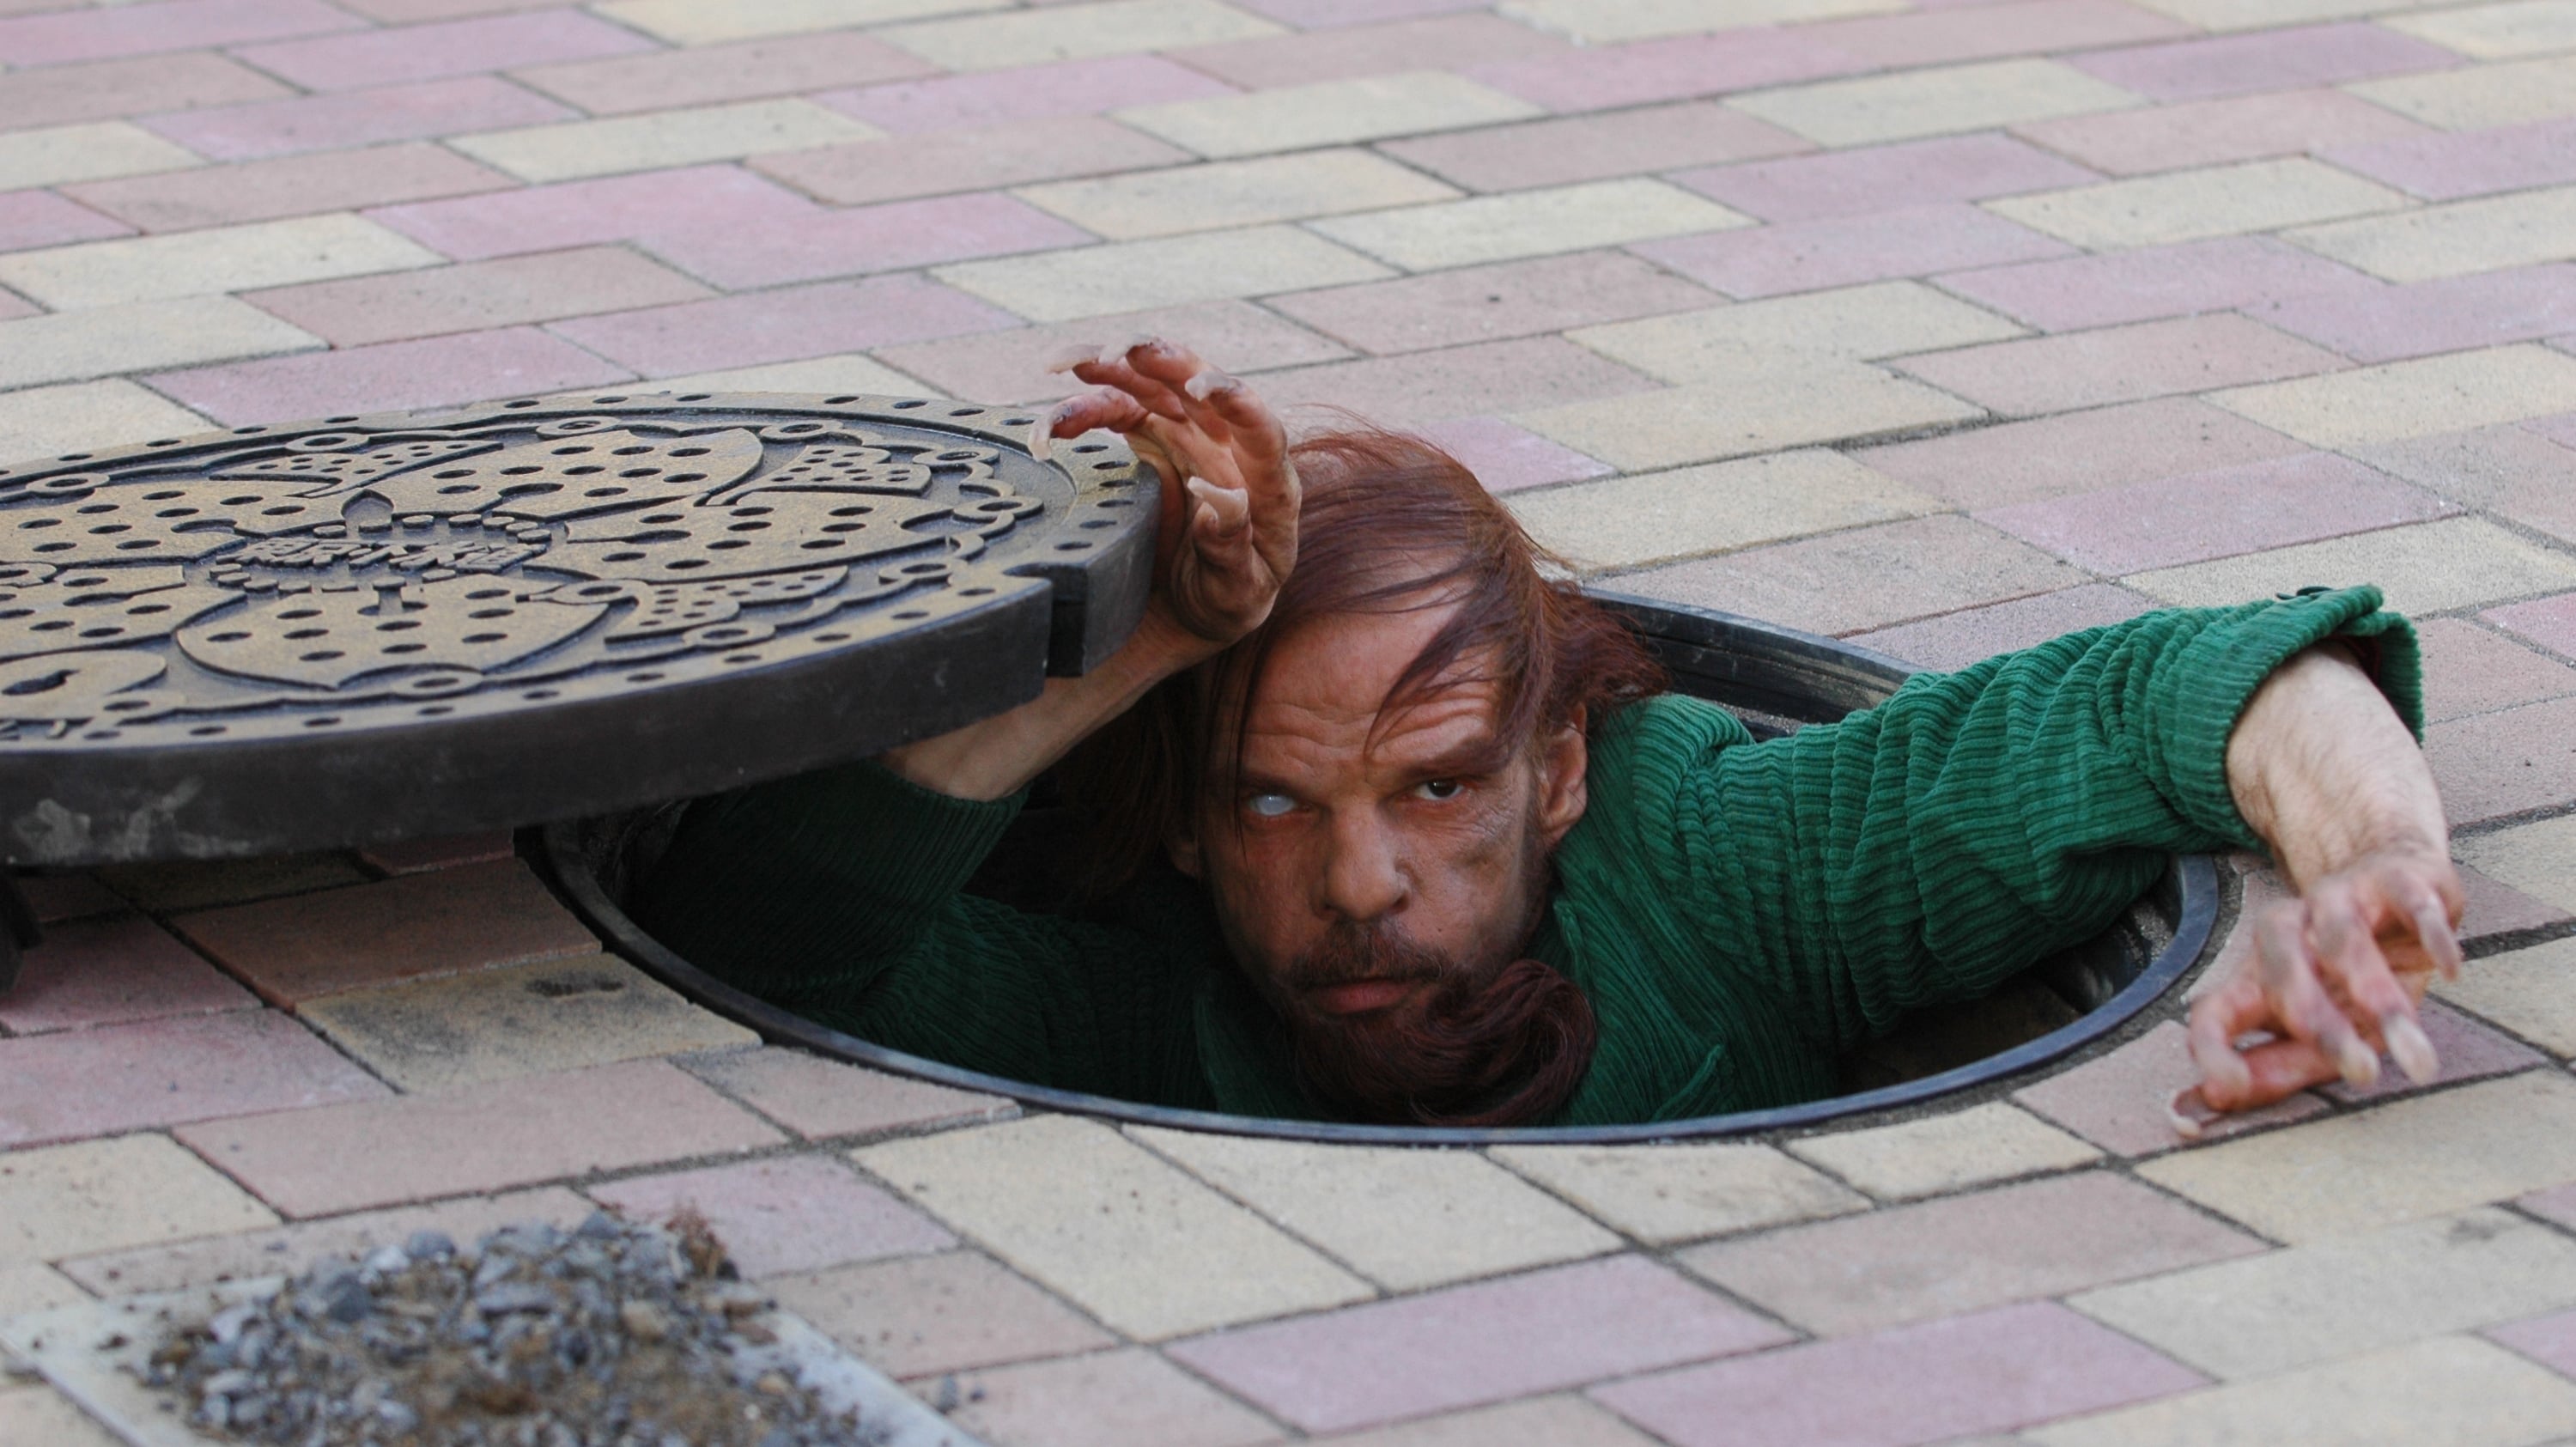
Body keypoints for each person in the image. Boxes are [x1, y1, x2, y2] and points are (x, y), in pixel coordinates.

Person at [635, 339, 2464, 1131]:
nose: (1363, 883)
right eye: (1273, 801)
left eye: (1439, 785)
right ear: (1185, 828)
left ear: (1562, 767)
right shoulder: (1145, 1002)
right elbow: (753, 949)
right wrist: (1141, 649)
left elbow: (2180, 690)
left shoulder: (1730, 868)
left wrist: (2369, 867)